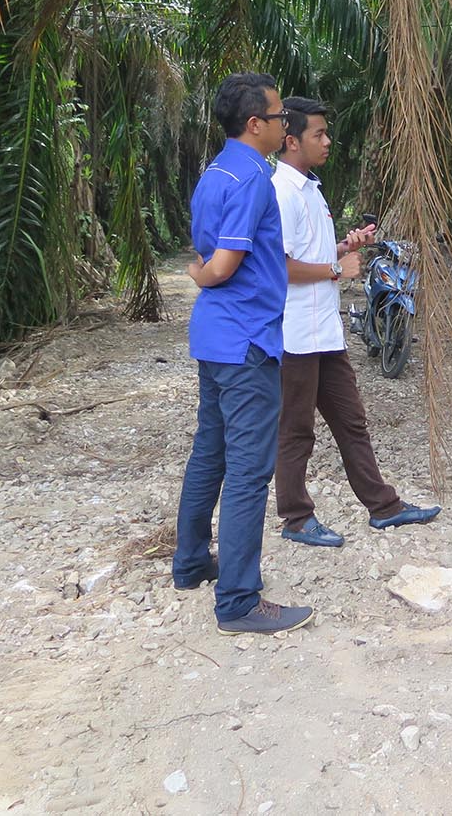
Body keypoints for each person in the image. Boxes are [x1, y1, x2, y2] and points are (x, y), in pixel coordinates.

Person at [172, 72, 314, 634]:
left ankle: (191, 563)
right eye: (280, 117)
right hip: (247, 340)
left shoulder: (214, 172)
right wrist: (200, 276)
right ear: (256, 124)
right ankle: (237, 601)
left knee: (210, 453)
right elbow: (224, 264)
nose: (285, 125)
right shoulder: (255, 177)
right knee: (250, 471)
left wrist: (205, 271)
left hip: (215, 339)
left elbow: (208, 245)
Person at [270, 95, 441, 547]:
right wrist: (334, 268)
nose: (328, 141)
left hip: (324, 331)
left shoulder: (311, 188)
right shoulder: (281, 192)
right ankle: (296, 517)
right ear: (291, 141)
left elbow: (311, 254)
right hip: (295, 334)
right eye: (319, 134)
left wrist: (346, 247)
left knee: (351, 421)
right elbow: (277, 266)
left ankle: (383, 506)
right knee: (296, 429)